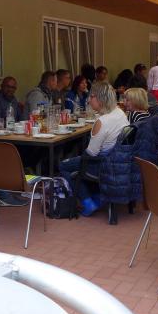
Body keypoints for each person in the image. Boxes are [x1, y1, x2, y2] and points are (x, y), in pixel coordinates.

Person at [59, 82, 129, 216]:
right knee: (77, 161)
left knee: (63, 166)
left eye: (91, 97)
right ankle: (97, 196)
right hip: (118, 161)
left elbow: (91, 153)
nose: (89, 100)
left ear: (100, 99)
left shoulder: (102, 121)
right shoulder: (119, 112)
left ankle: (87, 201)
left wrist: (76, 158)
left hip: (102, 164)